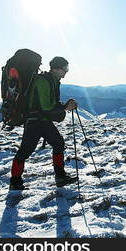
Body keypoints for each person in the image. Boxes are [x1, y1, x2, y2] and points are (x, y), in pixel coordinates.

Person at [9, 56, 78, 190]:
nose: (66, 72)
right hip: (35, 121)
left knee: (58, 143)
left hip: (42, 120)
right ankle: (15, 182)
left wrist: (65, 106)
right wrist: (65, 108)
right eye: (65, 69)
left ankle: (60, 177)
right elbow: (46, 107)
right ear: (56, 68)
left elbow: (50, 104)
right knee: (24, 152)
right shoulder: (42, 81)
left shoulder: (53, 80)